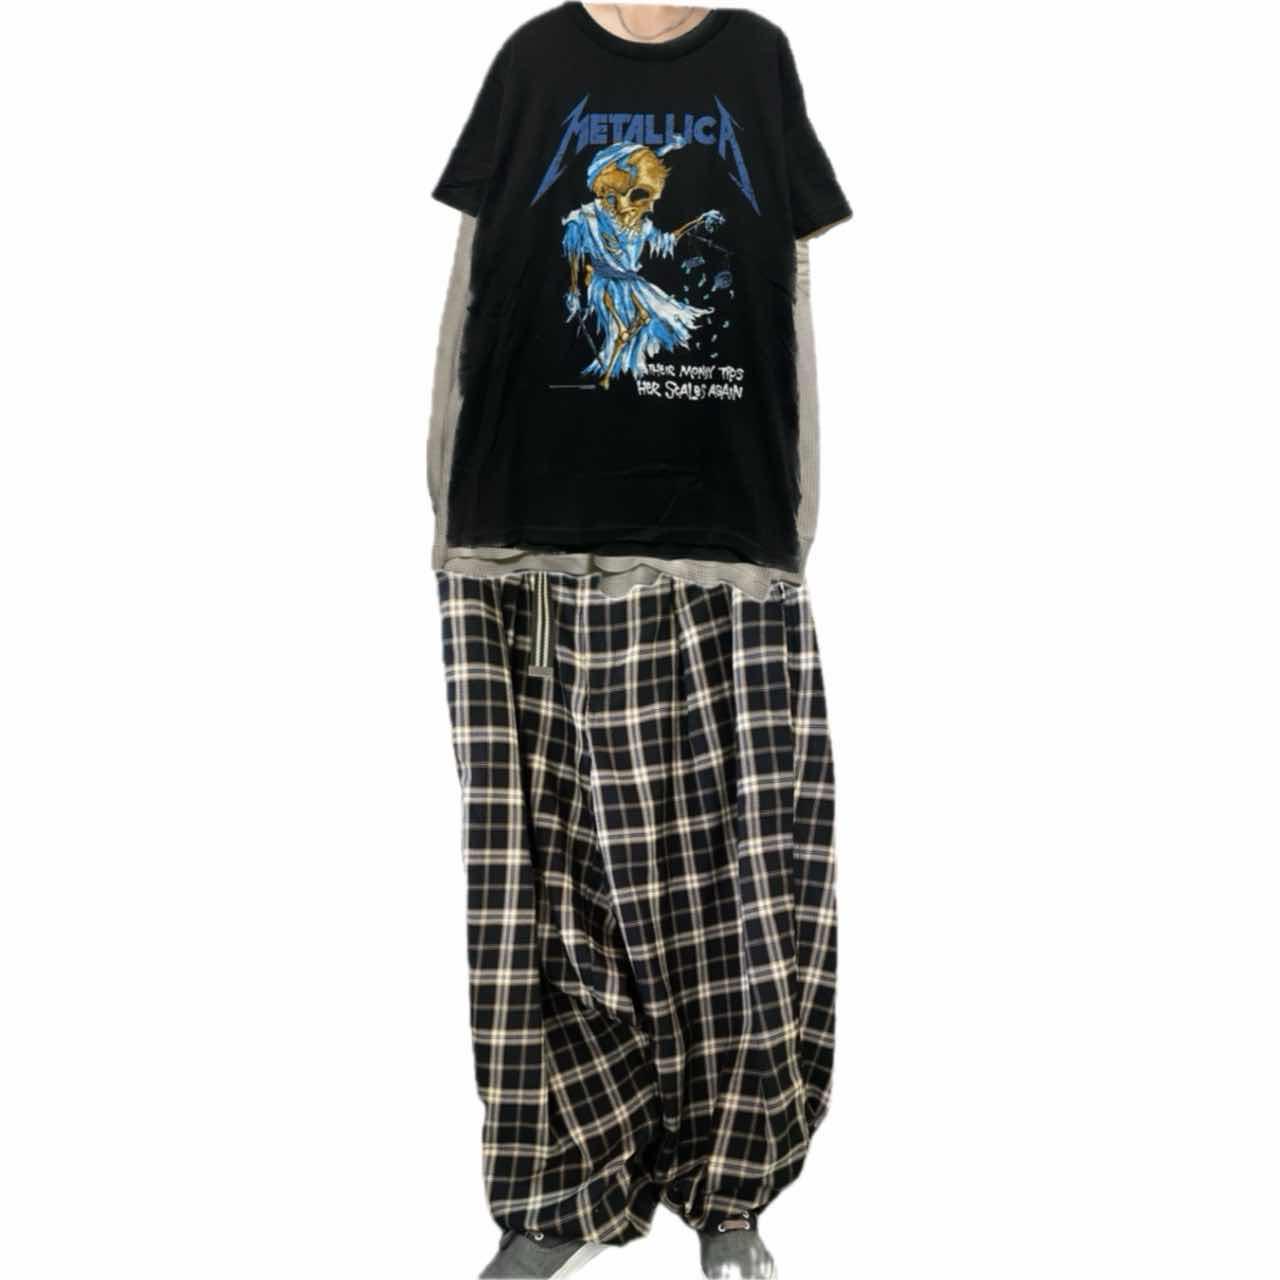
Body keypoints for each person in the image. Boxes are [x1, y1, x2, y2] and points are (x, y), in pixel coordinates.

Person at [427, 5, 851, 1276]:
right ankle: (555, 1189)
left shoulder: (755, 60)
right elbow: (469, 292)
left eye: (650, 188)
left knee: (748, 862)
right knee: (539, 873)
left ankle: (732, 1186)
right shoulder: (532, 63)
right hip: (530, 524)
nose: (641, 197)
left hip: (719, 525)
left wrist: (787, 516)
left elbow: (789, 298)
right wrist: (455, 504)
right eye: (632, 187)